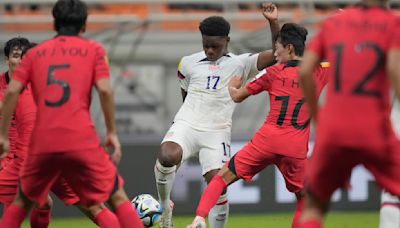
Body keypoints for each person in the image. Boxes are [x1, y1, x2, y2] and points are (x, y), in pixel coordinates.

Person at [0, 0, 143, 227]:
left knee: (21, 202)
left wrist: (3, 137)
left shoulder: (36, 54)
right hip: (79, 139)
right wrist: (112, 132)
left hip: (41, 144)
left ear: (54, 23)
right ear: (84, 25)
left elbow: (12, 92)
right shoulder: (94, 50)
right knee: (115, 197)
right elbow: (105, 89)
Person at [187, 23, 328, 228]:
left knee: (221, 178)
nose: (275, 52)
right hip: (295, 148)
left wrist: (232, 86)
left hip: (266, 142)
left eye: (277, 47)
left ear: (289, 48)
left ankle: (199, 219)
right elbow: (343, 61)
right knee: (306, 200)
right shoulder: (319, 72)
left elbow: (237, 96)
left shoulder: (272, 72)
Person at [154, 3, 280, 228]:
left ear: (227, 41)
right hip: (188, 124)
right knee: (167, 155)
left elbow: (278, 55)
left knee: (218, 183)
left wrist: (272, 22)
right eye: (206, 46)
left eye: (215, 46)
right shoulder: (188, 62)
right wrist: (187, 119)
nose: (210, 50)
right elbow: (185, 90)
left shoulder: (241, 63)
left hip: (217, 131)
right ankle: (165, 210)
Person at [297, 0, 400, 227]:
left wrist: (318, 120)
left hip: (333, 130)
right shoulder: (393, 24)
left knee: (314, 205)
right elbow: (394, 70)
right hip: (375, 129)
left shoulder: (334, 22)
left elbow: (304, 71)